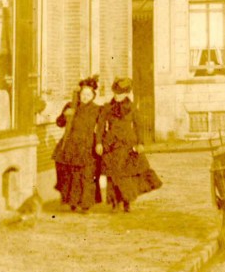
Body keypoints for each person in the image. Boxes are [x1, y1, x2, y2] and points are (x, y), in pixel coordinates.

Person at [96, 77, 162, 211]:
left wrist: (140, 143)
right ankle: (114, 202)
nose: (117, 96)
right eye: (115, 92)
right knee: (112, 174)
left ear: (126, 94)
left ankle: (127, 201)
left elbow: (139, 126)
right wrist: (99, 143)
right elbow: (101, 126)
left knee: (127, 174)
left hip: (127, 144)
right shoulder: (107, 108)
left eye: (120, 93)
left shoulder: (131, 107)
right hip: (111, 144)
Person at [52, 75, 102, 213]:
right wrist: (65, 115)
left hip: (87, 144)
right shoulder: (71, 105)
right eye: (83, 94)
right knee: (71, 173)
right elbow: (59, 123)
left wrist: (99, 143)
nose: (85, 97)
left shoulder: (97, 109)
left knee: (86, 174)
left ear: (93, 95)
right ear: (79, 94)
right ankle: (72, 201)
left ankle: (86, 204)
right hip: (70, 144)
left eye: (88, 94)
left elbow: (102, 127)